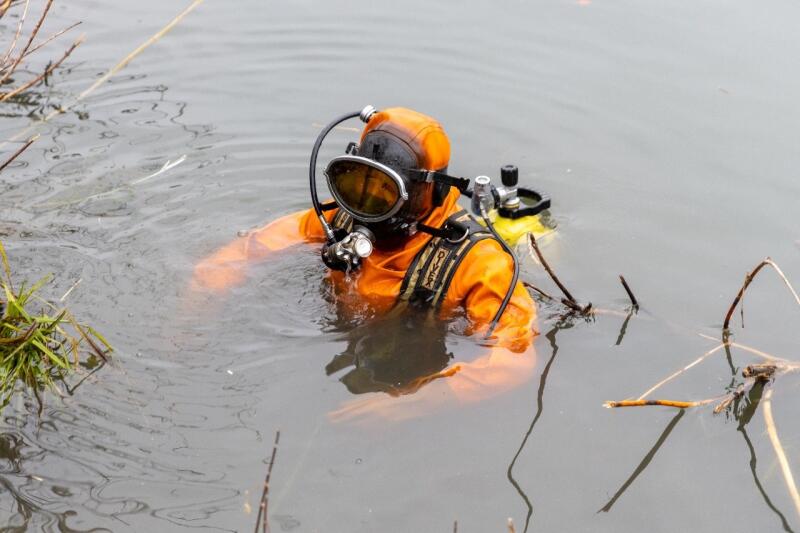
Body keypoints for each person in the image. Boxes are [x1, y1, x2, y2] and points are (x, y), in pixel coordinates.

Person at [192, 106, 541, 420]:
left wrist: (418, 402)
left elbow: (514, 358)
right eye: (357, 184)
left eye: (384, 193)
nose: (365, 205)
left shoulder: (478, 263)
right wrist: (198, 301)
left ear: (430, 191)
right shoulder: (340, 219)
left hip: (410, 383)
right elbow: (250, 248)